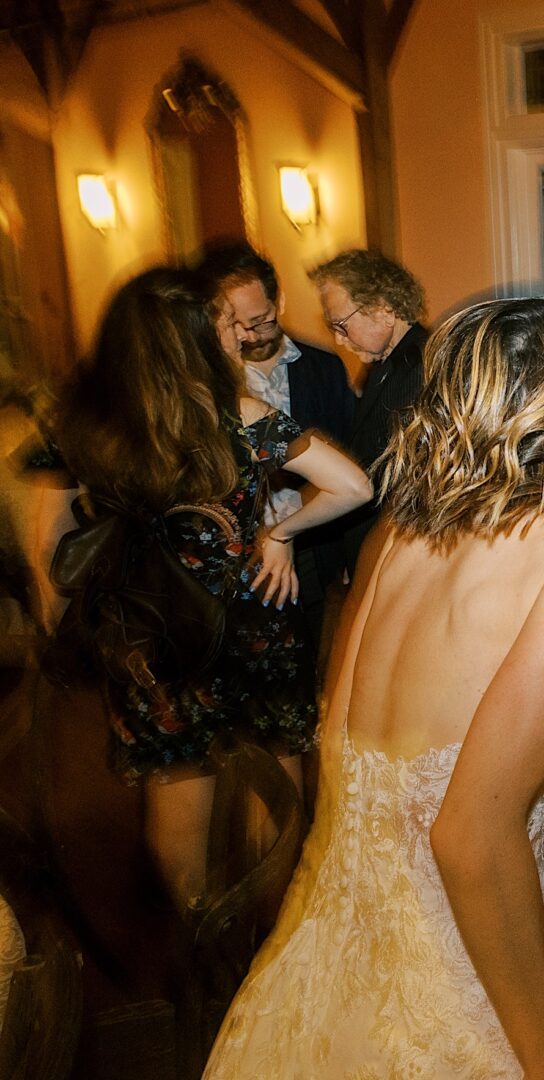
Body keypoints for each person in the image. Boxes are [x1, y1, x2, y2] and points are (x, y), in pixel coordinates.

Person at [204, 298, 544, 1078]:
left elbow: (337, 743)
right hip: (461, 964)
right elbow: (469, 837)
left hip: (330, 937)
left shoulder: (401, 528)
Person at [32, 268, 372, 908]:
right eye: (221, 322)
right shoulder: (244, 417)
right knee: (274, 783)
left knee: (176, 785)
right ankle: (271, 933)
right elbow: (353, 486)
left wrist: (57, 624)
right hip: (253, 624)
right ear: (191, 341)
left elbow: (52, 538)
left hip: (152, 639)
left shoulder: (86, 424)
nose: (237, 331)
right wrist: (282, 534)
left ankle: (197, 945)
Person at [199, 243, 356, 652]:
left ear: (279, 300)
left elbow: (351, 458)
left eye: (261, 320)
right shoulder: (211, 386)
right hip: (234, 557)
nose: (250, 336)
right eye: (237, 325)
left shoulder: (324, 368)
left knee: (313, 658)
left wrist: (340, 556)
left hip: (311, 546)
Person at [309, 249, 428, 570]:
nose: (337, 338)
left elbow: (388, 473)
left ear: (384, 310)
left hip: (398, 555)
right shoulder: (386, 362)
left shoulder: (418, 365)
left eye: (341, 324)